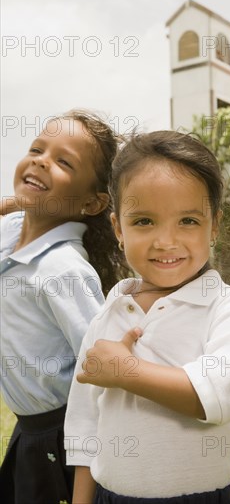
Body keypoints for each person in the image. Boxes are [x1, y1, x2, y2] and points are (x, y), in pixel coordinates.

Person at [64, 131, 230, 504]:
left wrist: (126, 371)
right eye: (144, 222)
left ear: (214, 226)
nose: (166, 241)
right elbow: (84, 428)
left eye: (188, 220)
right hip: (112, 495)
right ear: (118, 229)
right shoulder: (108, 315)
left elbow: (220, 395)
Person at [0, 110, 128, 504]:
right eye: (37, 149)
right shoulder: (11, 231)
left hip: (63, 433)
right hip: (29, 427)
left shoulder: (64, 270)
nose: (40, 160)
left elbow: (98, 360)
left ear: (91, 203)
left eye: (63, 162)